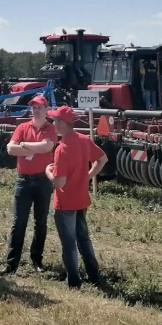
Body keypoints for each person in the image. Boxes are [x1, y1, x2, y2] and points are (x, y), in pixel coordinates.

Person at [44, 105, 108, 289]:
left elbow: (59, 183)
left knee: (69, 242)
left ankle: (73, 281)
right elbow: (102, 159)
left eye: (55, 121)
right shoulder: (84, 140)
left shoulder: (61, 148)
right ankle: (94, 275)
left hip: (65, 202)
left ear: (63, 124)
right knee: (84, 238)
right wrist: (87, 175)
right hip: (81, 198)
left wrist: (48, 171)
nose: (53, 124)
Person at [0, 95, 58, 276]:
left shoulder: (51, 128)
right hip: (23, 180)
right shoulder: (23, 127)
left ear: (46, 109)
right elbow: (10, 149)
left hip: (42, 180)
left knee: (40, 222)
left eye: (39, 107)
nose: (36, 110)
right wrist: (33, 146)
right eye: (33, 107)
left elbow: (47, 147)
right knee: (18, 223)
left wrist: (23, 145)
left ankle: (36, 259)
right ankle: (11, 264)